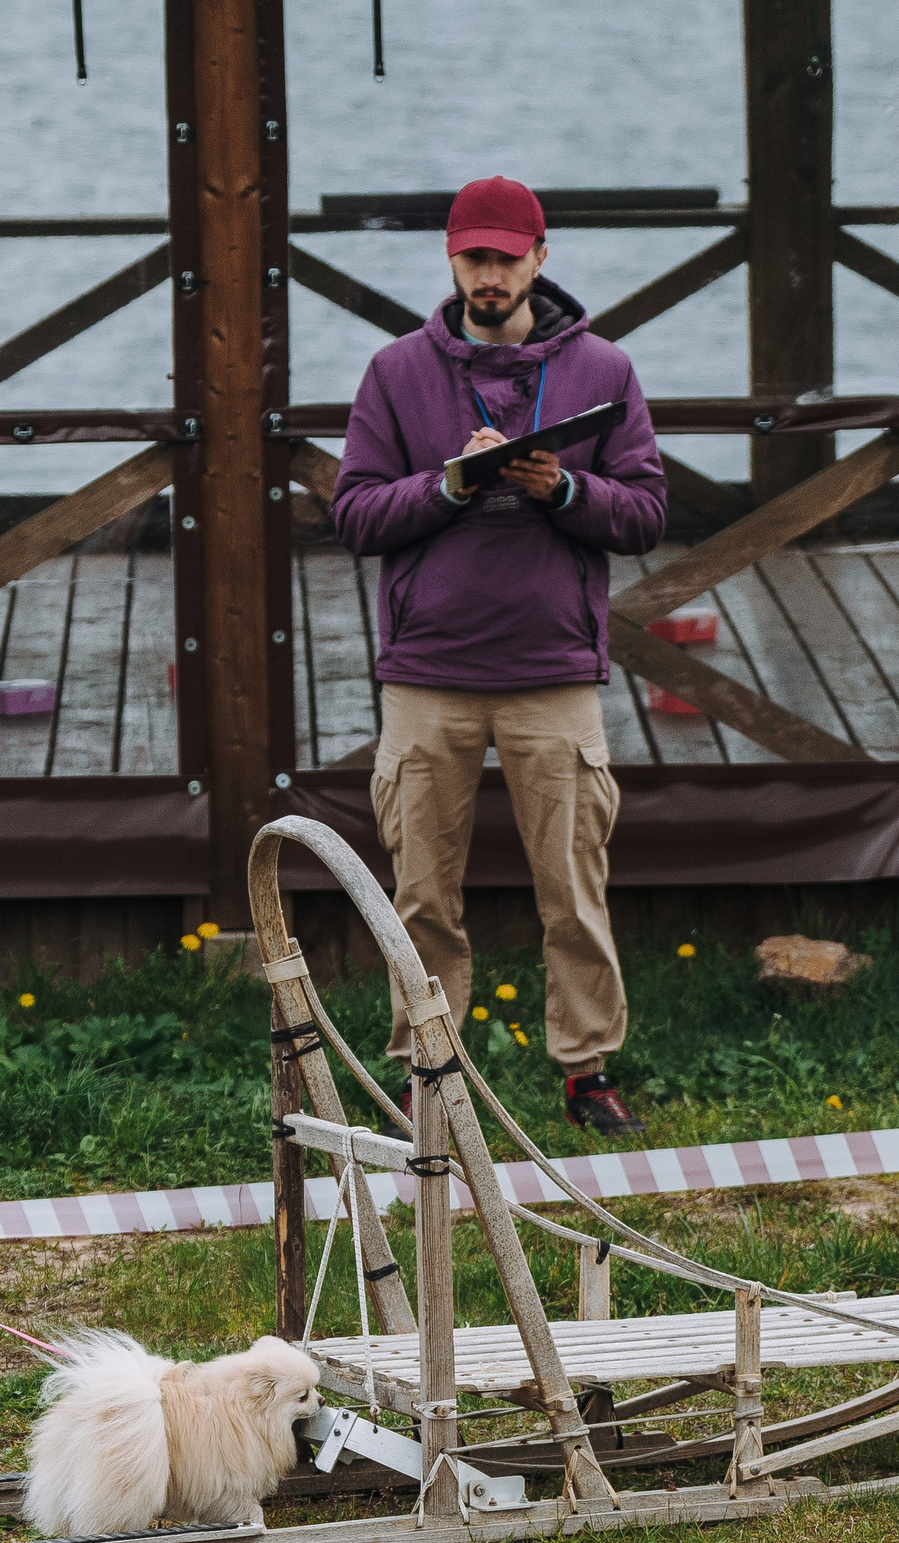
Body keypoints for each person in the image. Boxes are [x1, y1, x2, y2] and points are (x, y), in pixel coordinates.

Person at [331, 175, 667, 1136]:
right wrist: (449, 487)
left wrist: (561, 488)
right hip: (427, 676)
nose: (489, 275)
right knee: (422, 896)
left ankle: (587, 1070)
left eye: (505, 259)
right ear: (451, 259)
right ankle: (426, 1071)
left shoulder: (605, 369)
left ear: (540, 259)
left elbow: (646, 513)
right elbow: (353, 515)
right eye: (473, 258)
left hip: (554, 674)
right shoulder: (396, 372)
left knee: (574, 891)